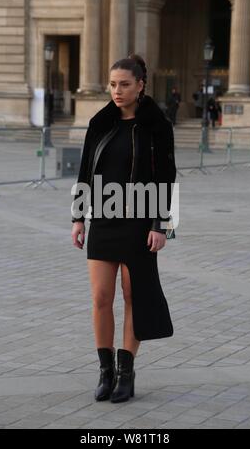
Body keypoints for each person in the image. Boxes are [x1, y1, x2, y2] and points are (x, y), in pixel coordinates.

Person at [71, 54, 176, 404]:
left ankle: (126, 372)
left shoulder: (156, 126)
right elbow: (85, 171)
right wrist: (77, 217)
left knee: (134, 298)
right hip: (103, 220)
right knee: (101, 298)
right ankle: (105, 370)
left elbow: (166, 176)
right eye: (113, 84)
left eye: (125, 84)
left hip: (140, 223)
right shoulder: (100, 123)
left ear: (141, 85)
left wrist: (161, 225)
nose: (117, 90)